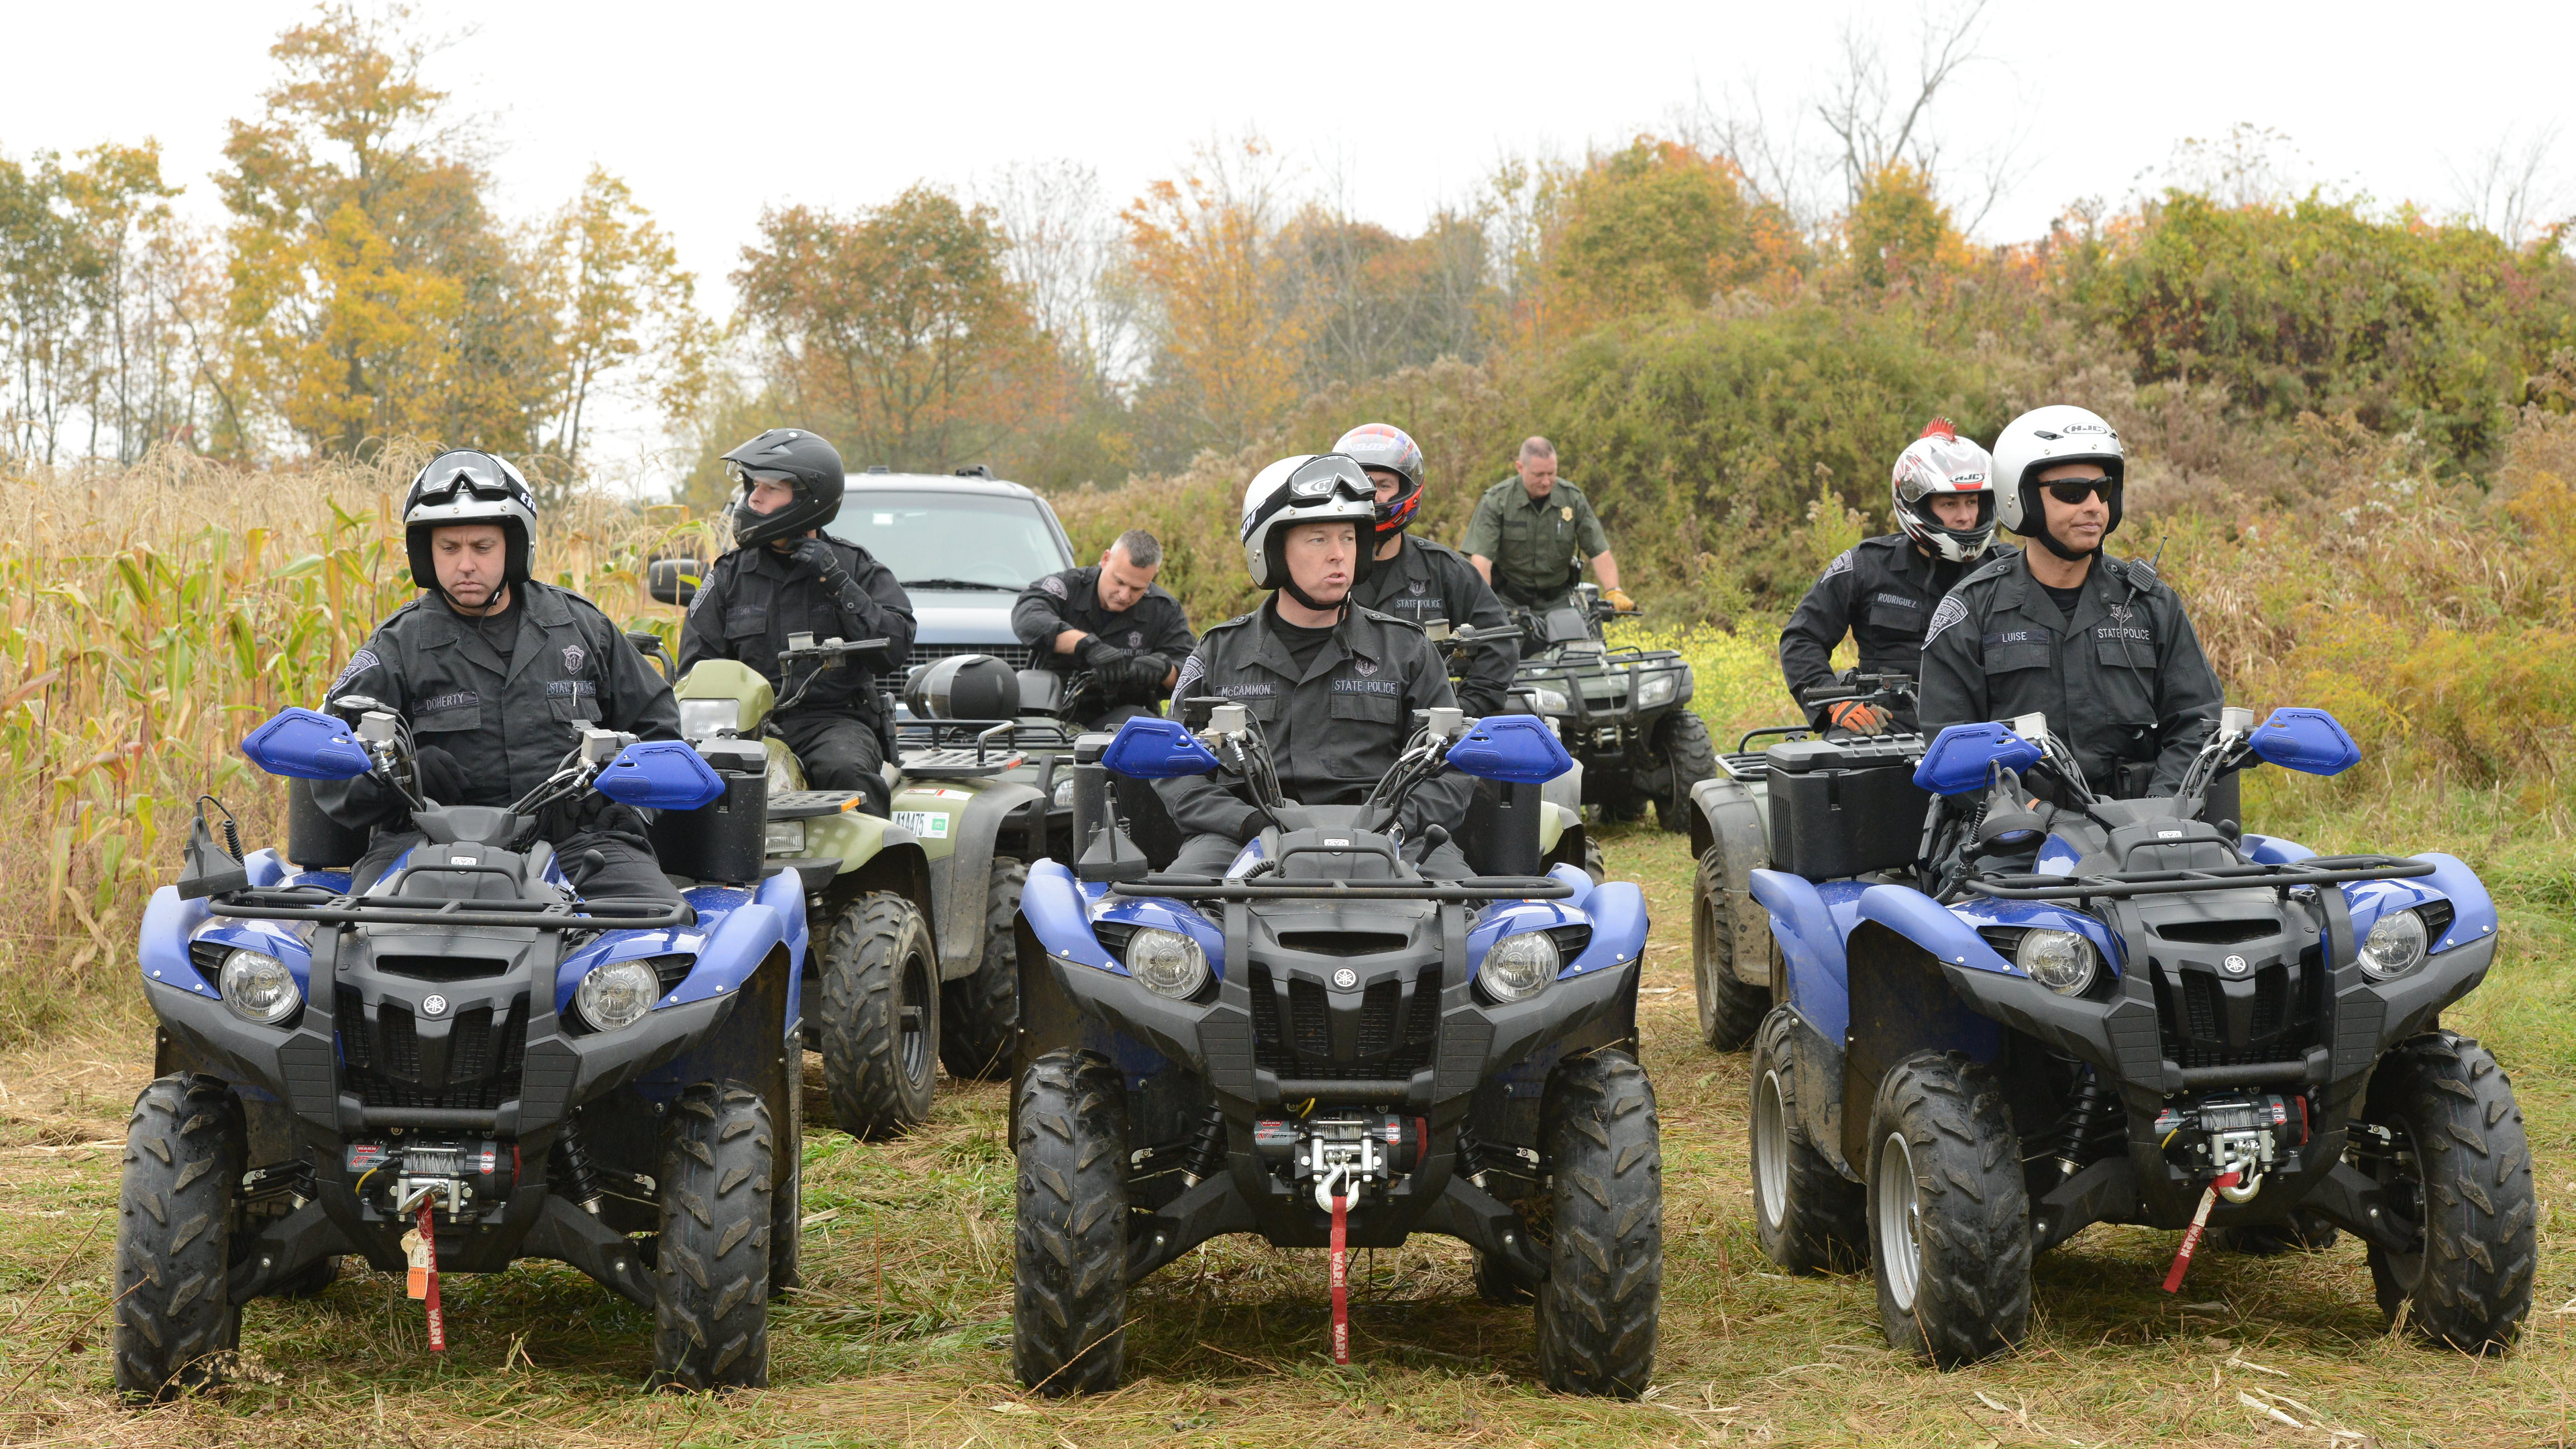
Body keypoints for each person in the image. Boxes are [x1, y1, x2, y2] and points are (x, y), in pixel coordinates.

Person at [315, 451, 685, 903]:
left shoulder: (583, 629)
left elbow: (660, 734)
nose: (465, 564)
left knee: (662, 934)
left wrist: (622, 799)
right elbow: (330, 766)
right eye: (449, 548)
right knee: (347, 941)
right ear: (426, 554)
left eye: (482, 547)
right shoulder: (395, 647)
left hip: (582, 846)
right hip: (425, 847)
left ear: (513, 546)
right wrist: (400, 776)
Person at [1157, 453, 1474, 879]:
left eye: (1348, 537)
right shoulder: (1219, 653)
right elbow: (1177, 771)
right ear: (1270, 550)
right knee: (1176, 917)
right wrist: (1248, 823)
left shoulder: (1407, 649)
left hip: (1395, 834)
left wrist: (1396, 823)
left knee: (1475, 921)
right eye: (1318, 539)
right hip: (1244, 838)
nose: (1339, 555)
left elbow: (1452, 767)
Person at [1918, 405, 2225, 803]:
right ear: (2022, 497)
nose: (2094, 506)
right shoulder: (1971, 611)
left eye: (2104, 490)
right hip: (2017, 843)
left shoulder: (2152, 605)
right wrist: (2030, 814)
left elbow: (2197, 722)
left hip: (2143, 834)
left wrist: (2160, 809)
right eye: (2072, 493)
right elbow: (1951, 747)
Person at [678, 428, 916, 816]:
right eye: (754, 485)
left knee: (846, 770)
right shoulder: (727, 576)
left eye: (771, 488)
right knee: (686, 789)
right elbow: (694, 671)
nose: (754, 497)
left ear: (808, 498)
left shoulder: (853, 566)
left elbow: (896, 644)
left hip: (833, 724)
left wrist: (837, 582)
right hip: (742, 730)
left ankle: (870, 875)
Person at [1778, 419, 2013, 735]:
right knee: (1835, 772)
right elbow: (1801, 638)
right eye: (1949, 503)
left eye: (1972, 502)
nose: (1966, 517)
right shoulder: (1866, 565)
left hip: (1980, 725)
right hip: (1884, 725)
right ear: (1917, 504)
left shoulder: (2006, 568)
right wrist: (1834, 702)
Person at [1335, 421, 1519, 716]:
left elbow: (1499, 644)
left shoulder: (1446, 570)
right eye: (1364, 484)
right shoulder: (1320, 573)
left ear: (1406, 490)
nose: (1374, 496)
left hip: (1427, 741)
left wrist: (1462, 710)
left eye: (1384, 485)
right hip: (1347, 734)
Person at [1012, 528, 1197, 730]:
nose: (1125, 595)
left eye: (1137, 589)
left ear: (1153, 577)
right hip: (1050, 716)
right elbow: (1028, 617)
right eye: (1119, 582)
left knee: (1144, 725)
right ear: (1106, 559)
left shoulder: (1163, 609)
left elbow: (1192, 676)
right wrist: (1086, 646)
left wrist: (1164, 669)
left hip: (1120, 719)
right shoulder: (1066, 588)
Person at [1460, 436, 1631, 612]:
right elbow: (1481, 560)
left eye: (1551, 473)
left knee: (1582, 639)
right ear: (1520, 468)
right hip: (1510, 601)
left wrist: (1614, 591)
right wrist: (1485, 605)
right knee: (1502, 639)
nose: (1546, 481)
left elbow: (1599, 550)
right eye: (1539, 475)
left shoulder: (1572, 499)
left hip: (1559, 600)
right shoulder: (1497, 501)